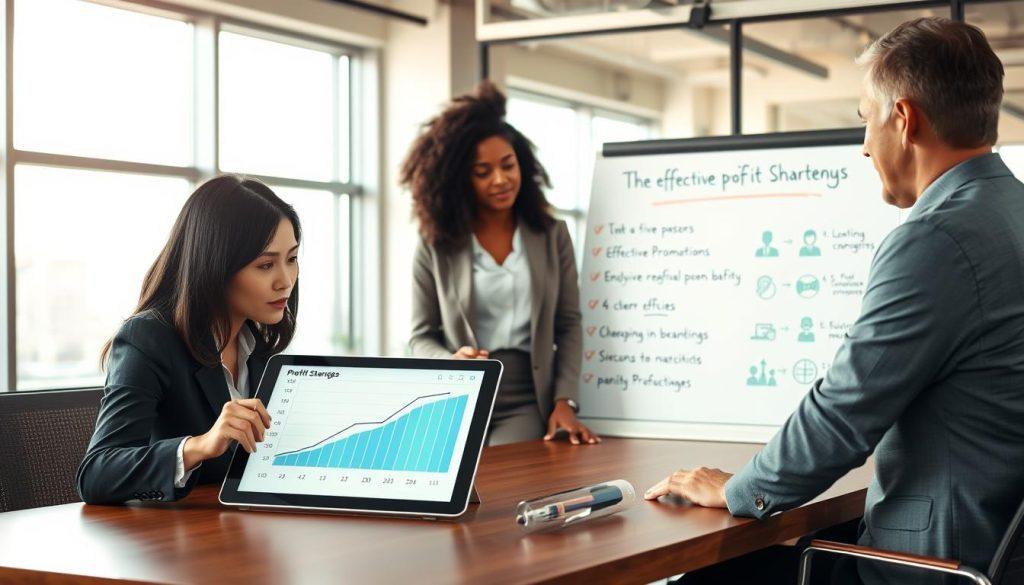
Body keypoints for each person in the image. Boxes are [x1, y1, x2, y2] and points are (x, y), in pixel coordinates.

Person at [646, 17, 1024, 585]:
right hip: (997, 539)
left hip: (934, 561)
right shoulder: (1010, 210)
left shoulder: (935, 239)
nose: (864, 145)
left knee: (711, 575)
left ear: (904, 119)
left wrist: (737, 487)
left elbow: (844, 414)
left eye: (865, 121)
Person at [77, 175, 301, 504]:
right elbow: (97, 473)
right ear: (216, 265)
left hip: (242, 532)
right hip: (171, 542)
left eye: (292, 259)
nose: (285, 281)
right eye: (265, 265)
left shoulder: (260, 347)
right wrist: (200, 445)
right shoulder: (149, 338)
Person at [403, 81, 599, 446]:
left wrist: (564, 400)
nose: (500, 179)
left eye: (508, 165)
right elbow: (420, 335)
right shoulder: (436, 244)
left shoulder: (551, 234)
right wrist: (450, 360)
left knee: (505, 481)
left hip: (526, 397)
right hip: (457, 395)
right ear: (459, 180)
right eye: (483, 172)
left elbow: (569, 323)